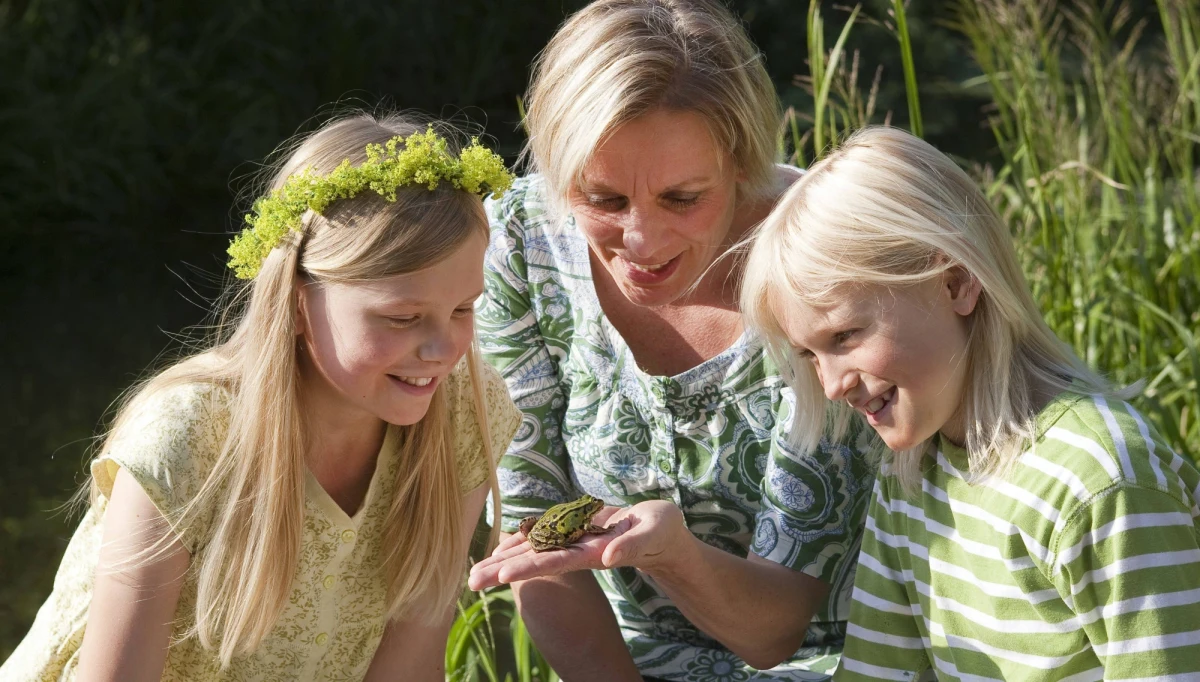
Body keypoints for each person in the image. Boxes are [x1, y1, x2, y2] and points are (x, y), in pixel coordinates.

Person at [1, 113, 521, 681]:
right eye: (402, 317)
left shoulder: (464, 410)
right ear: (297, 303)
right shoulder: (190, 435)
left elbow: (410, 665)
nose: (444, 348)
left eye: (463, 309)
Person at [466, 1, 874, 679]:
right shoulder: (519, 242)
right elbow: (534, 538)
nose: (642, 241)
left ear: (741, 161)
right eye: (603, 199)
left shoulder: (818, 257)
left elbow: (776, 631)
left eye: (682, 198)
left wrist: (673, 557)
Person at [740, 125, 1200, 680]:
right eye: (810, 354)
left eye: (844, 336)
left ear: (956, 282)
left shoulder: (1099, 480)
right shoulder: (912, 471)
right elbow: (880, 670)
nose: (833, 385)